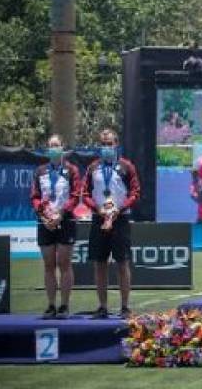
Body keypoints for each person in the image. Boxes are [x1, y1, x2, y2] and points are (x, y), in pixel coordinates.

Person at [83, 129, 141, 319]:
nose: (106, 147)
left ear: (116, 144)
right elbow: (85, 194)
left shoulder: (126, 166)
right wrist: (97, 209)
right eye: (103, 144)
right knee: (100, 264)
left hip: (120, 219)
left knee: (122, 263)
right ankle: (102, 307)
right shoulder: (93, 168)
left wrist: (120, 209)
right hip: (99, 218)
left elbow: (135, 192)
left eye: (109, 144)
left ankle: (125, 307)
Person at [30, 135, 81, 319]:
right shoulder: (40, 171)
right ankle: (51, 305)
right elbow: (35, 196)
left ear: (62, 148)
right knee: (48, 265)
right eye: (51, 146)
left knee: (64, 264)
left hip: (65, 221)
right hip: (45, 222)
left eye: (56, 145)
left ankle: (64, 306)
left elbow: (75, 195)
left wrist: (61, 214)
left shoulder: (71, 170)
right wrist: (44, 214)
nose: (53, 149)